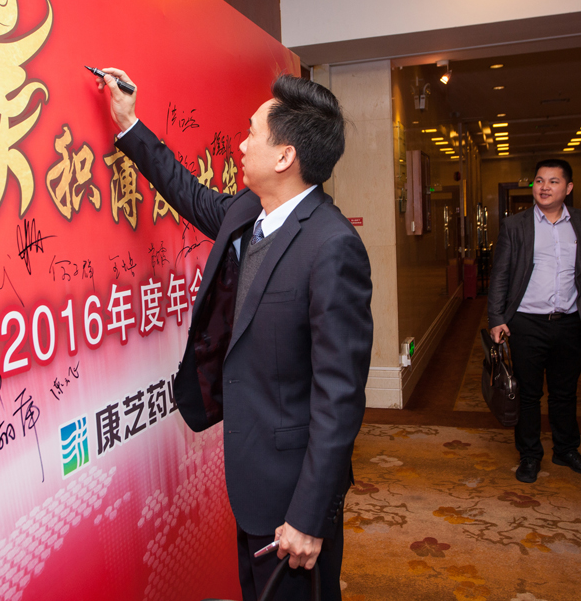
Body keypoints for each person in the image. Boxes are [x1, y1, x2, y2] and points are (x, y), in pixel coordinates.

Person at [95, 68, 373, 600]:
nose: (240, 145)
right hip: (250, 477)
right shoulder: (250, 211)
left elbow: (339, 398)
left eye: (251, 134)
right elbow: (189, 193)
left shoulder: (332, 247)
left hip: (294, 494)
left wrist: (308, 516)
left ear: (285, 156)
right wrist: (128, 123)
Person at [488, 159, 581, 483]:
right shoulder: (515, 225)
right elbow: (500, 274)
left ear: (568, 187)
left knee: (565, 391)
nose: (544, 187)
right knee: (528, 394)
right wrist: (496, 318)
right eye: (539, 181)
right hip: (526, 323)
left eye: (553, 181)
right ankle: (530, 455)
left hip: (568, 322)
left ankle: (566, 449)